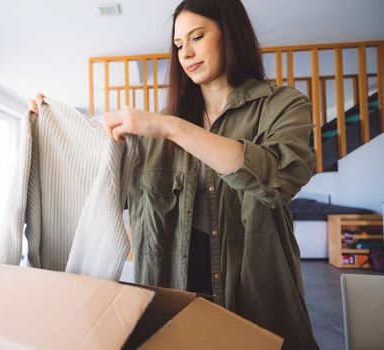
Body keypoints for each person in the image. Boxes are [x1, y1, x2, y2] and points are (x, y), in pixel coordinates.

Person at [30, 0, 319, 348]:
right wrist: (50, 130)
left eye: (197, 37)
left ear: (231, 35)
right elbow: (102, 194)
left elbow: (279, 179)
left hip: (256, 292)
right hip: (171, 290)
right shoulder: (156, 131)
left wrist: (171, 127)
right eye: (179, 45)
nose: (186, 53)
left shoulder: (283, 105)